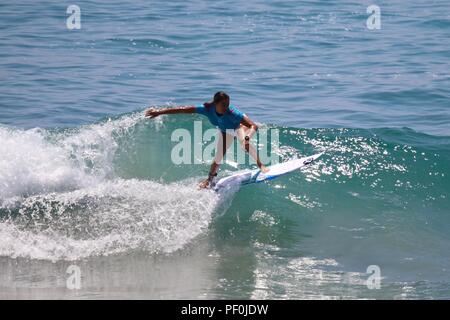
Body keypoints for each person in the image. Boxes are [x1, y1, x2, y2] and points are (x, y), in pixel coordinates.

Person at [145, 91, 268, 188]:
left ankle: (260, 164)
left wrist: (247, 137)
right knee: (218, 157)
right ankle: (209, 180)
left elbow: (253, 126)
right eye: (223, 105)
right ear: (216, 104)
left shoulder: (233, 113)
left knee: (244, 144)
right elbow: (182, 110)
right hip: (225, 130)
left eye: (228, 104)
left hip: (240, 126)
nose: (226, 107)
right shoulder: (207, 109)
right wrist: (159, 112)